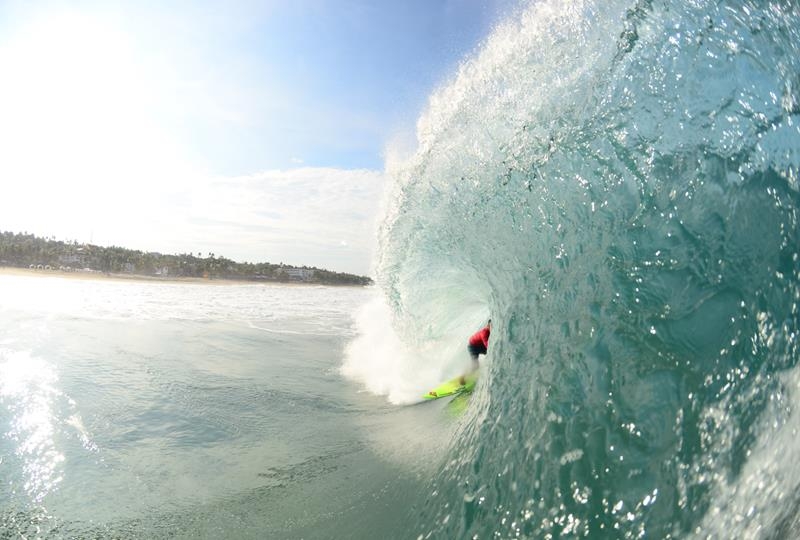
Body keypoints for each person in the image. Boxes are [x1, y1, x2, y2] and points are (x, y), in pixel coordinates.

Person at [460, 319, 491, 385]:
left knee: (486, 354)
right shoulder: (485, 332)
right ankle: (462, 377)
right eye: (491, 326)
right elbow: (487, 345)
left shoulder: (489, 331)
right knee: (475, 366)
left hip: (479, 345)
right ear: (488, 325)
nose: (492, 327)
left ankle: (474, 371)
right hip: (473, 346)